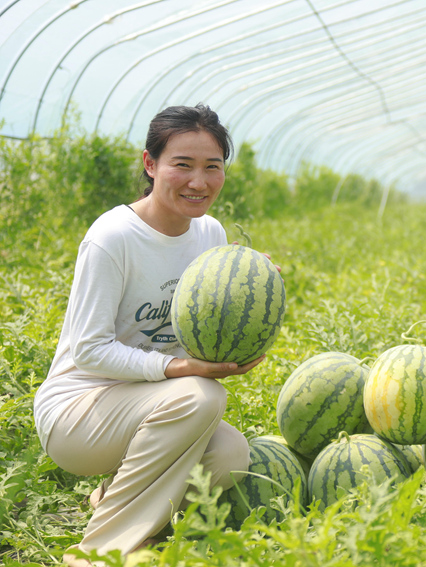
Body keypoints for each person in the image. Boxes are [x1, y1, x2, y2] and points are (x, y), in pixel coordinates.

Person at [33, 104, 264, 566]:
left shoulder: (209, 233)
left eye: (212, 167)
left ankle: (111, 497)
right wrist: (179, 367)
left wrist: (253, 287)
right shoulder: (114, 236)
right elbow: (90, 349)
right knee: (201, 396)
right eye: (183, 165)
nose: (199, 182)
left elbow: (211, 323)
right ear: (150, 163)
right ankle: (99, 552)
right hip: (79, 411)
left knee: (231, 455)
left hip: (146, 406)